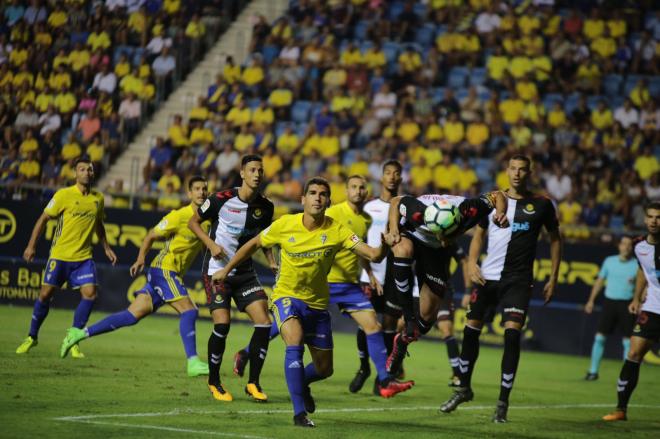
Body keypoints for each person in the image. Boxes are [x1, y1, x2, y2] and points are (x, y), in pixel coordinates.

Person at [211, 177, 396, 427]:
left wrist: (384, 247)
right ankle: (299, 414)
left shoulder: (337, 229)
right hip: (287, 296)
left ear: (328, 201)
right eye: (312, 193)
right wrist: (227, 269)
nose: (317, 197)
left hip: (318, 306)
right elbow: (253, 244)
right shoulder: (285, 224)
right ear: (303, 199)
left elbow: (373, 254)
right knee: (294, 342)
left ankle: (303, 383)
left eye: (322, 194)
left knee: (324, 369)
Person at [439, 155, 562, 423]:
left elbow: (555, 239)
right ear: (507, 171)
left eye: (522, 170)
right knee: (470, 332)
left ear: (530, 172)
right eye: (513, 169)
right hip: (487, 279)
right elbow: (479, 234)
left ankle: (502, 403)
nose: (517, 174)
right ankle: (463, 388)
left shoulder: (542, 204)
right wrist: (472, 263)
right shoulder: (493, 199)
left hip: (517, 281)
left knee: (511, 336)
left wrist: (553, 277)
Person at [59, 177, 210, 377]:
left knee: (131, 316)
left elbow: (198, 247)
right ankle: (192, 362)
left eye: (204, 189)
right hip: (164, 270)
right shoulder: (179, 216)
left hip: (167, 273)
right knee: (189, 311)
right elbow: (150, 236)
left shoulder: (207, 221)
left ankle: (80, 333)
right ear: (189, 193)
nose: (201, 192)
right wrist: (140, 259)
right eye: (197, 189)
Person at [383, 190, 508, 380]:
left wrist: (500, 213)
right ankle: (408, 319)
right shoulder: (418, 212)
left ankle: (402, 341)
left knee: (425, 321)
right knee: (403, 248)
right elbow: (396, 201)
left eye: (447, 234)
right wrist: (393, 230)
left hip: (435, 253)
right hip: (413, 235)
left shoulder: (469, 211)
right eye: (439, 233)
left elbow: (498, 195)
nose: (443, 237)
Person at [188, 155, 276, 403]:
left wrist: (270, 259)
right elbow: (192, 222)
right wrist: (211, 244)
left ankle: (253, 383)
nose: (257, 174)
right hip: (216, 271)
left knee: (264, 323)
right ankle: (214, 381)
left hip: (246, 274)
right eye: (252, 170)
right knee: (222, 325)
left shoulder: (266, 207)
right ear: (242, 173)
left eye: (260, 170)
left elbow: (264, 238)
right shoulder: (220, 199)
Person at [16, 158, 117, 357]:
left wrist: (106, 247)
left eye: (89, 169)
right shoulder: (63, 195)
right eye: (82, 169)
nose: (87, 172)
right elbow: (43, 218)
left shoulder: (98, 199)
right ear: (75, 174)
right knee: (45, 295)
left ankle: (74, 339)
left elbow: (99, 225)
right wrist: (31, 246)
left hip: (83, 258)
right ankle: (32, 337)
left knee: (90, 294)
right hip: (60, 256)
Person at [326, 175, 414, 396]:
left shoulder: (364, 219)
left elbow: (362, 251)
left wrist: (369, 273)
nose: (357, 191)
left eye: (361, 188)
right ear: (346, 191)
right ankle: (249, 352)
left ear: (366, 192)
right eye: (353, 187)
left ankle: (384, 380)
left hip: (348, 285)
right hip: (321, 282)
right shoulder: (333, 213)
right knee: (289, 326)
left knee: (373, 325)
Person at [602, 202, 660, 422]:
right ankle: (620, 409)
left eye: (659, 217)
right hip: (653, 306)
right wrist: (636, 297)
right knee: (634, 354)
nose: (655, 221)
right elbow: (642, 271)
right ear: (645, 220)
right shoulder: (638, 246)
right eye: (651, 217)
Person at [352, 160, 405, 392]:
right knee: (366, 324)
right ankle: (363, 367)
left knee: (390, 327)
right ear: (381, 178)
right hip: (370, 275)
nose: (392, 177)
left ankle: (381, 375)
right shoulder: (369, 208)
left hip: (394, 278)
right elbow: (360, 243)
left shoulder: (405, 208)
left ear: (401, 179)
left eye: (396, 174)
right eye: (387, 173)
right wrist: (369, 273)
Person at [583, 236, 638, 380]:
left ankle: (626, 375)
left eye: (629, 245)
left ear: (632, 248)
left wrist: (639, 301)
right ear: (619, 246)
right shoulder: (609, 261)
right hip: (610, 303)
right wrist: (590, 300)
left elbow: (643, 286)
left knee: (627, 341)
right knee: (600, 338)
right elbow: (599, 282)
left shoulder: (637, 265)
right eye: (623, 244)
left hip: (627, 305)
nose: (626, 247)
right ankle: (593, 372)